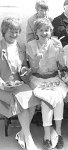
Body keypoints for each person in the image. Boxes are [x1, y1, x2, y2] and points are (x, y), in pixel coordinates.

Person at [26, 18, 68, 149]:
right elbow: (32, 70)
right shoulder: (30, 45)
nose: (45, 33)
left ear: (51, 31)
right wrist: (37, 60)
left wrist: (60, 52)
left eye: (47, 30)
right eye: (41, 30)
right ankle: (46, 136)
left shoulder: (56, 43)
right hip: (37, 78)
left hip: (54, 78)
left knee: (59, 98)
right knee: (46, 99)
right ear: (36, 32)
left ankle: (59, 134)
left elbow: (62, 66)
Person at [0, 17, 40, 150]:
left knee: (33, 97)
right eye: (11, 31)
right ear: (4, 31)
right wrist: (2, 84)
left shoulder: (20, 46)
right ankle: (28, 139)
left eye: (17, 31)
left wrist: (24, 70)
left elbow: (23, 66)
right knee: (22, 102)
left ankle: (22, 133)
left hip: (18, 82)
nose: (14, 34)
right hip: (3, 86)